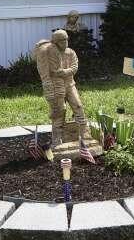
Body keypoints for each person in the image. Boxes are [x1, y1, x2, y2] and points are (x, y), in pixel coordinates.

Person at [33, 29, 93, 161]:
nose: (65, 42)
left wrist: (62, 72)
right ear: (55, 42)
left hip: (70, 85)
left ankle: (85, 135)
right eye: (62, 40)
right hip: (56, 86)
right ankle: (57, 139)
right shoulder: (49, 52)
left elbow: (74, 67)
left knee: (78, 106)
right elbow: (45, 70)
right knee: (59, 111)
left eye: (66, 39)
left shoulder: (71, 52)